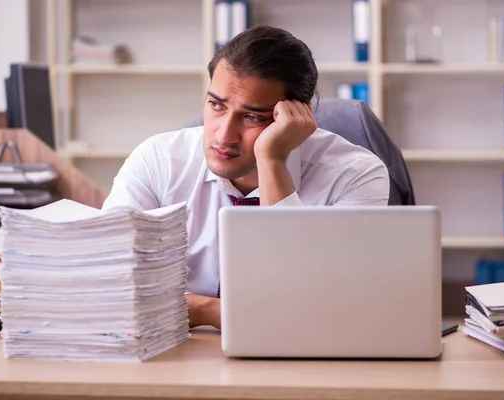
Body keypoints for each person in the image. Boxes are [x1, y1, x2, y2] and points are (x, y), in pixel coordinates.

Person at [102, 25, 390, 330]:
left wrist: (272, 161)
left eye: (252, 116)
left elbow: (320, 306)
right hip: (183, 354)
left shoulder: (355, 176)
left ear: (294, 117)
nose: (224, 135)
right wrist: (212, 311)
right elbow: (109, 281)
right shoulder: (158, 161)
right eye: (216, 105)